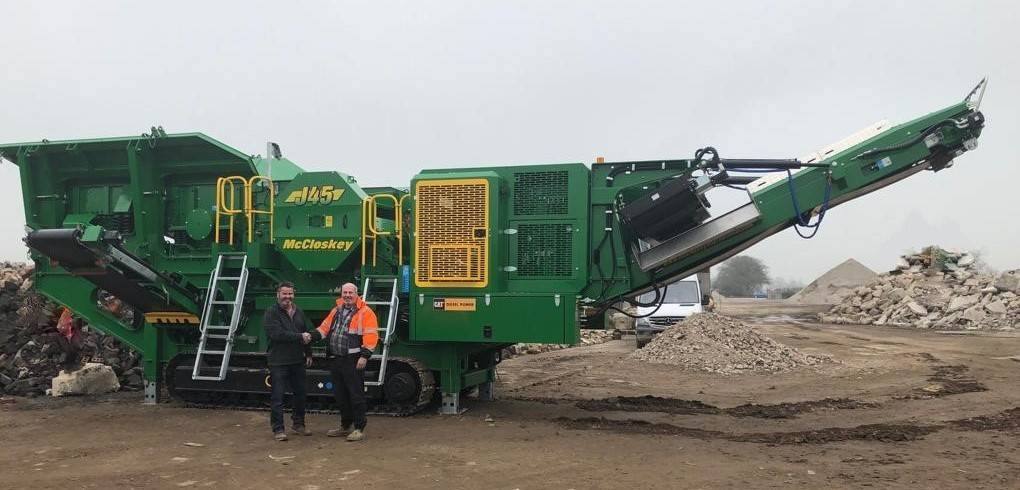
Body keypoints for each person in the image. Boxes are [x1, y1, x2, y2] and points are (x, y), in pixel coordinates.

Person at [311, 282, 378, 442]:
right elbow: (324, 328)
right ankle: (345, 425)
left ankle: (359, 428)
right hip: (336, 359)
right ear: (341, 294)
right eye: (345, 293)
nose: (347, 295)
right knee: (341, 395)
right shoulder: (337, 310)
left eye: (350, 293)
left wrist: (364, 356)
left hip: (353, 360)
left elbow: (371, 336)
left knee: (356, 395)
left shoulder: (366, 312)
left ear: (357, 294)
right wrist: (309, 336)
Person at [263, 282, 315, 441]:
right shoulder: (271, 313)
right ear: (277, 294)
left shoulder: (298, 311)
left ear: (294, 294)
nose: (287, 297)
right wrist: (300, 337)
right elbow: (277, 334)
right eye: (284, 294)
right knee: (278, 396)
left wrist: (308, 353)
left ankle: (298, 424)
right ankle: (278, 429)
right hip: (278, 361)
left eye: (290, 294)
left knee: (300, 394)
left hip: (297, 360)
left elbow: (304, 332)